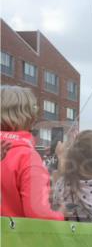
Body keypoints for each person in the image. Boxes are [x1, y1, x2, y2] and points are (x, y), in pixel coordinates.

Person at [0, 85, 63, 220]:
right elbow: (39, 214)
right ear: (29, 117)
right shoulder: (26, 157)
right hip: (13, 239)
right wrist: (63, 213)